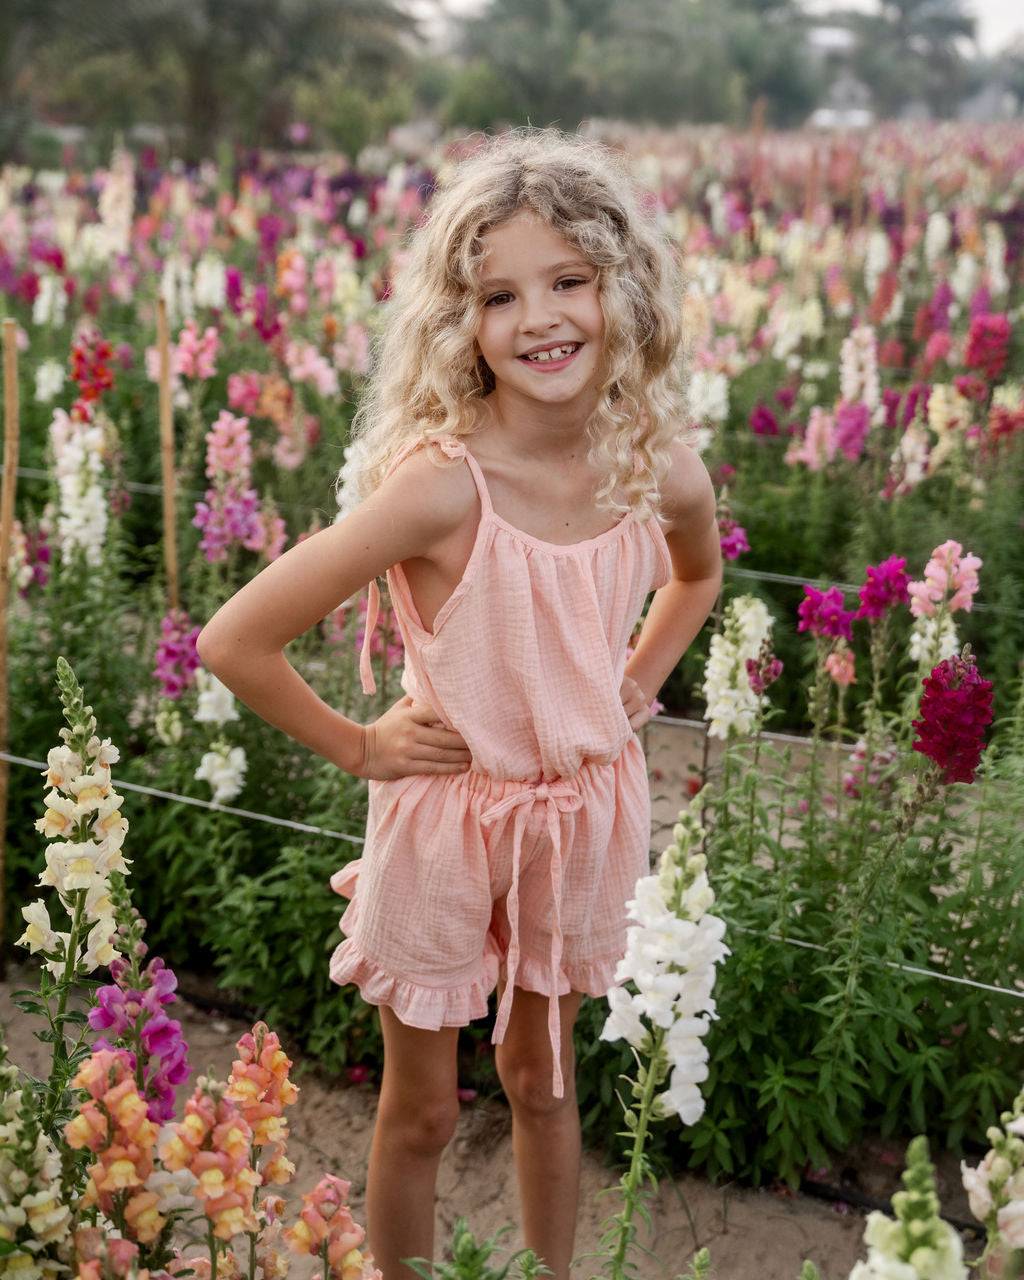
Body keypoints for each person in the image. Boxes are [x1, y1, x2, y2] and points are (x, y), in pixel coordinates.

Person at [197, 129, 721, 1280]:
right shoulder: (441, 487)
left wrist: (634, 678)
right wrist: (361, 745)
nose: (541, 317)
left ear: (622, 288)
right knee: (424, 1109)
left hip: (581, 816)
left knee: (546, 1083)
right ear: (460, 321)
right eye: (499, 293)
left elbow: (697, 573)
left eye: (569, 280)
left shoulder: (655, 465)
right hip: (445, 817)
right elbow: (234, 637)